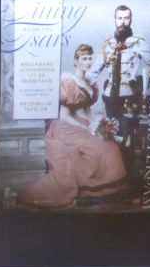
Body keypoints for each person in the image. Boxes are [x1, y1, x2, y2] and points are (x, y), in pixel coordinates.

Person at [18, 44, 128, 209]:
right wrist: (86, 129)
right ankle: (86, 190)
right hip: (64, 128)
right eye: (84, 59)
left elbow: (88, 111)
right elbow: (64, 115)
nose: (88, 62)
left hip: (81, 125)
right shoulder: (69, 81)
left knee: (109, 147)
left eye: (90, 58)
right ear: (76, 62)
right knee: (96, 149)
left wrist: (98, 126)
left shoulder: (90, 84)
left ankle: (104, 191)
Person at [91, 5, 150, 175]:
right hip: (109, 100)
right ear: (115, 20)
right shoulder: (107, 44)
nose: (122, 21)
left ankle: (130, 182)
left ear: (131, 19)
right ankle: (118, 180)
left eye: (126, 18)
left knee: (127, 138)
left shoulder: (139, 43)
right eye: (119, 18)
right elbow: (93, 72)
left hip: (129, 99)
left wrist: (144, 85)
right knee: (113, 138)